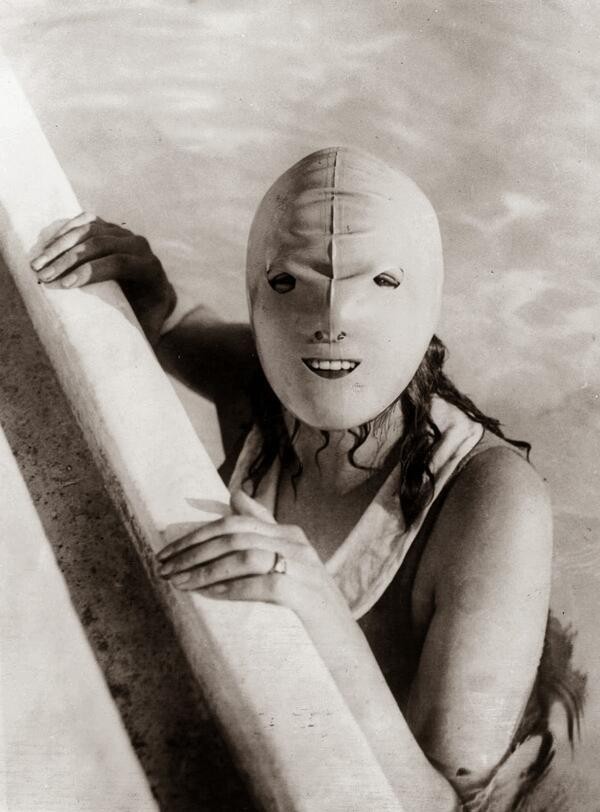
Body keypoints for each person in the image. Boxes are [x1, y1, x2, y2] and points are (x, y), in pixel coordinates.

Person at [32, 147, 585, 810]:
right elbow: (175, 330)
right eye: (289, 283)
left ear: (427, 298)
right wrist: (149, 290)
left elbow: (443, 802)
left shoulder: (493, 502)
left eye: (379, 282)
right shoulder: (264, 383)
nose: (331, 321)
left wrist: (319, 608)